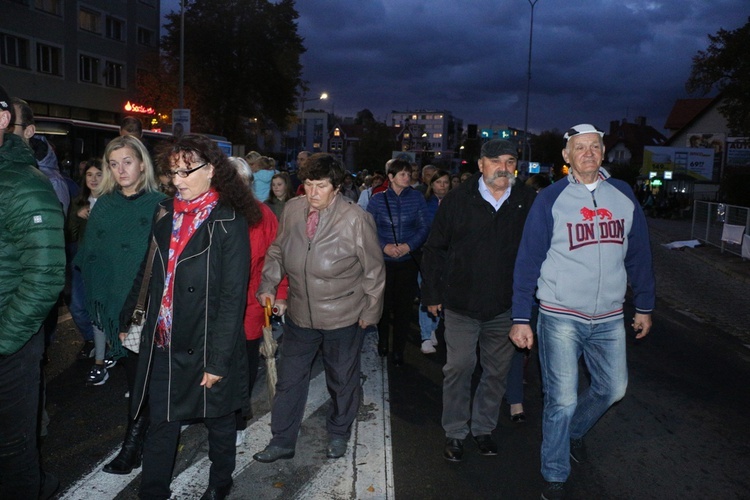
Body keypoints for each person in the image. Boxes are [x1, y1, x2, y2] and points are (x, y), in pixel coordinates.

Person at [509, 124, 655, 500]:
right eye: (580, 147)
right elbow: (528, 260)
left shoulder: (623, 195)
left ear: (603, 152)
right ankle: (555, 473)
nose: (588, 153)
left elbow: (639, 253)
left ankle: (569, 432)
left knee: (613, 388)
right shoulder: (551, 199)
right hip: (560, 314)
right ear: (566, 156)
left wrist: (644, 305)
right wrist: (521, 317)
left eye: (594, 146)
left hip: (608, 316)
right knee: (562, 397)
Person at [122, 134, 253, 500]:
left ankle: (220, 482)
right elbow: (147, 271)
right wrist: (128, 319)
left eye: (186, 171)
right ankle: (153, 491)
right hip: (165, 337)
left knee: (219, 420)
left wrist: (218, 360)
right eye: (173, 172)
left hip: (207, 340)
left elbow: (232, 298)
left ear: (211, 170)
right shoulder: (165, 212)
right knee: (162, 421)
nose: (177, 180)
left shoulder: (229, 221)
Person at [253, 153, 385, 463]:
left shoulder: (356, 219)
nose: (313, 193)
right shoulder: (293, 210)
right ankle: (282, 440)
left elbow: (374, 271)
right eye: (309, 184)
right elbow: (277, 251)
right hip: (300, 314)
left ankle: (338, 432)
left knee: (341, 379)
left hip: (343, 316)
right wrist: (268, 286)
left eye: (321, 186)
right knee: (289, 380)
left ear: (336, 187)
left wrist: (370, 312)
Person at [421, 139, 536, 463]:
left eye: (510, 160)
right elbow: (435, 248)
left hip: (504, 305)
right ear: (481, 164)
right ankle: (455, 433)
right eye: (496, 160)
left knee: (497, 371)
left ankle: (483, 428)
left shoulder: (526, 201)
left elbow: (537, 250)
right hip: (461, 302)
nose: (504, 167)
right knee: (459, 366)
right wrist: (431, 293)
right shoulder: (458, 200)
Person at [0, 83, 66, 499]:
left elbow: (45, 276)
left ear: (3, 119)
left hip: (11, 344)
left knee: (12, 450)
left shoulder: (25, 185)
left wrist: (4, 339)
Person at [227, 156, 289, 445]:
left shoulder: (264, 216)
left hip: (251, 302)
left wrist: (281, 293)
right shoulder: (210, 213)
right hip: (214, 306)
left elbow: (277, 258)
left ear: (249, 184)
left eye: (240, 181)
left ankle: (238, 418)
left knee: (245, 363)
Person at [367, 158, 429, 366]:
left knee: (404, 308)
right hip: (383, 261)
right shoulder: (377, 200)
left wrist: (408, 246)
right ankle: (383, 341)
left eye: (409, 173)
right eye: (402, 173)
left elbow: (423, 227)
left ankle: (399, 350)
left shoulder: (417, 198)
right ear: (391, 177)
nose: (407, 177)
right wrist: (384, 246)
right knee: (384, 306)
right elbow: (368, 229)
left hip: (408, 261)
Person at [67, 161, 103, 360]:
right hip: (81, 261)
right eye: (90, 175)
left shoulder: (112, 202)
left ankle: (103, 346)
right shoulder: (79, 201)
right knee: (77, 305)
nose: (94, 179)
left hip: (103, 264)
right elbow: (70, 234)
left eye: (99, 174)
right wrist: (78, 216)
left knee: (100, 308)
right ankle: (91, 339)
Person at [418, 168, 451, 354]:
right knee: (427, 290)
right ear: (432, 185)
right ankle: (426, 333)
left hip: (447, 257)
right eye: (439, 182)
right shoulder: (425, 203)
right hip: (427, 255)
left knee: (441, 293)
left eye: (446, 182)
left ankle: (433, 327)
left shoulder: (455, 204)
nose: (443, 186)